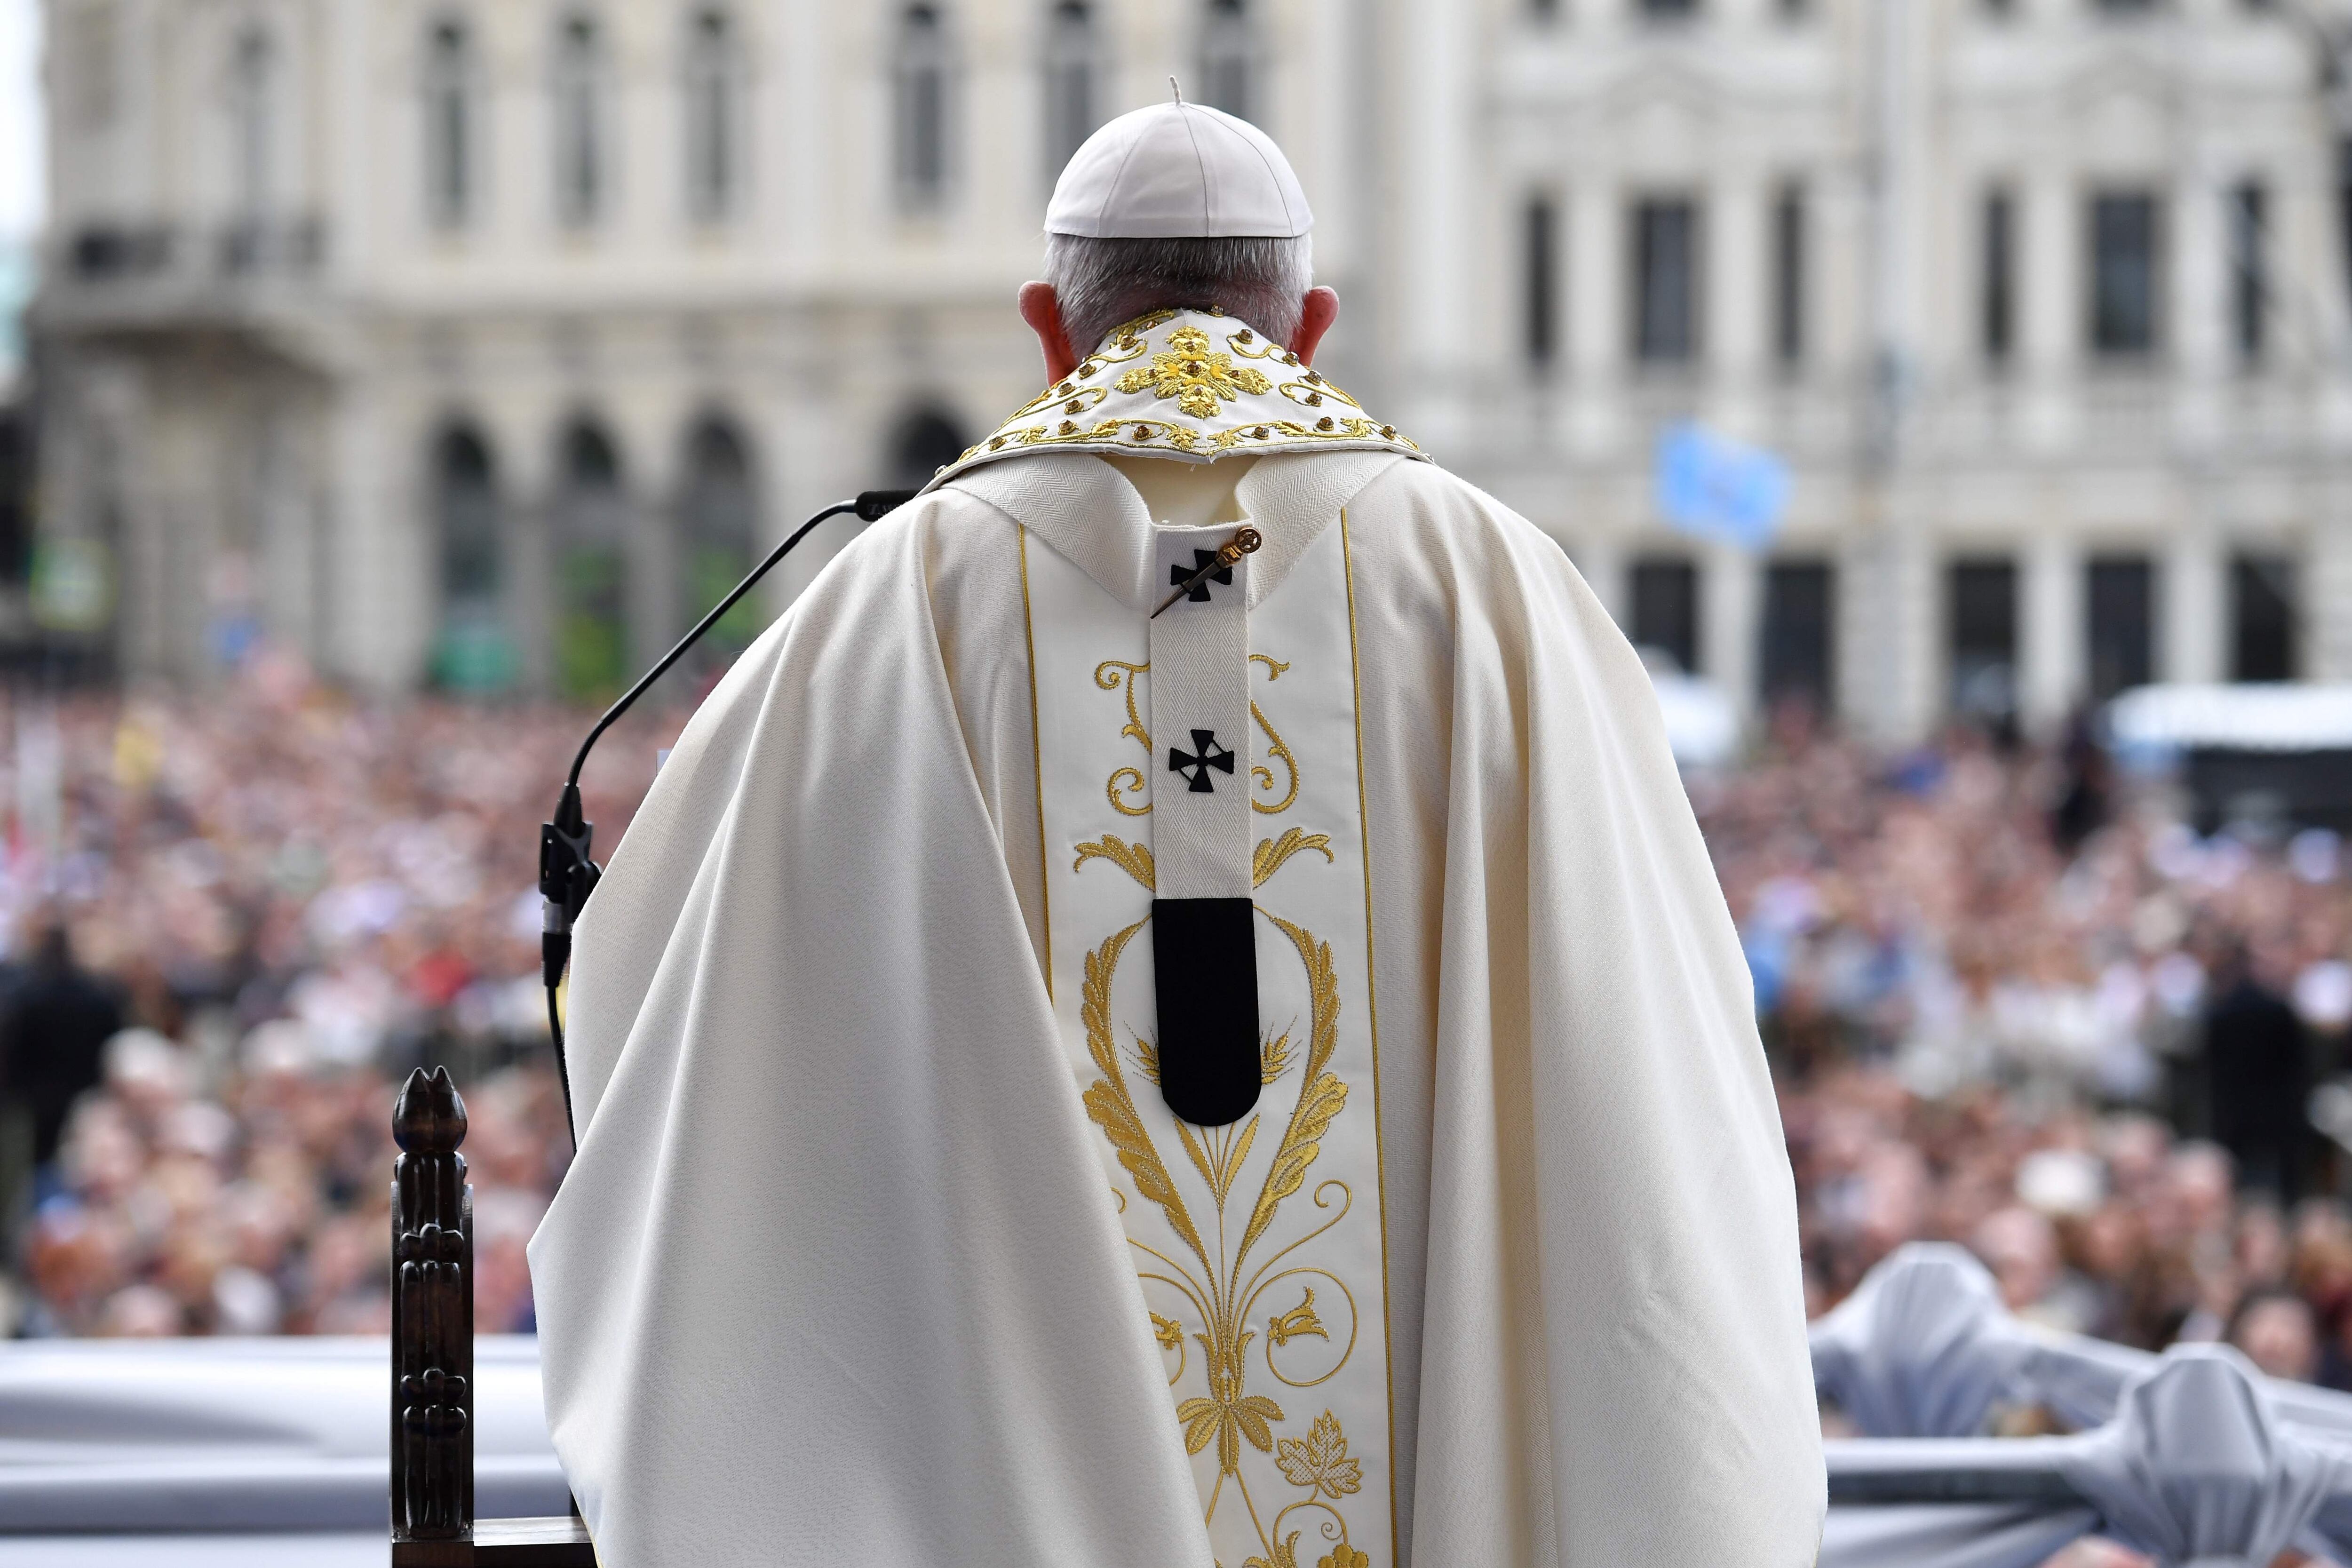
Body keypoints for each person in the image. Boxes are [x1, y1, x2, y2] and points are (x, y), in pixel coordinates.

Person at [529, 95, 1824, 1567]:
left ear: (1048, 325)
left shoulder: (891, 603)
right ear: (1313, 325)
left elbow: (675, 1051)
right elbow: (1655, 1086)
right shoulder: (1496, 588)